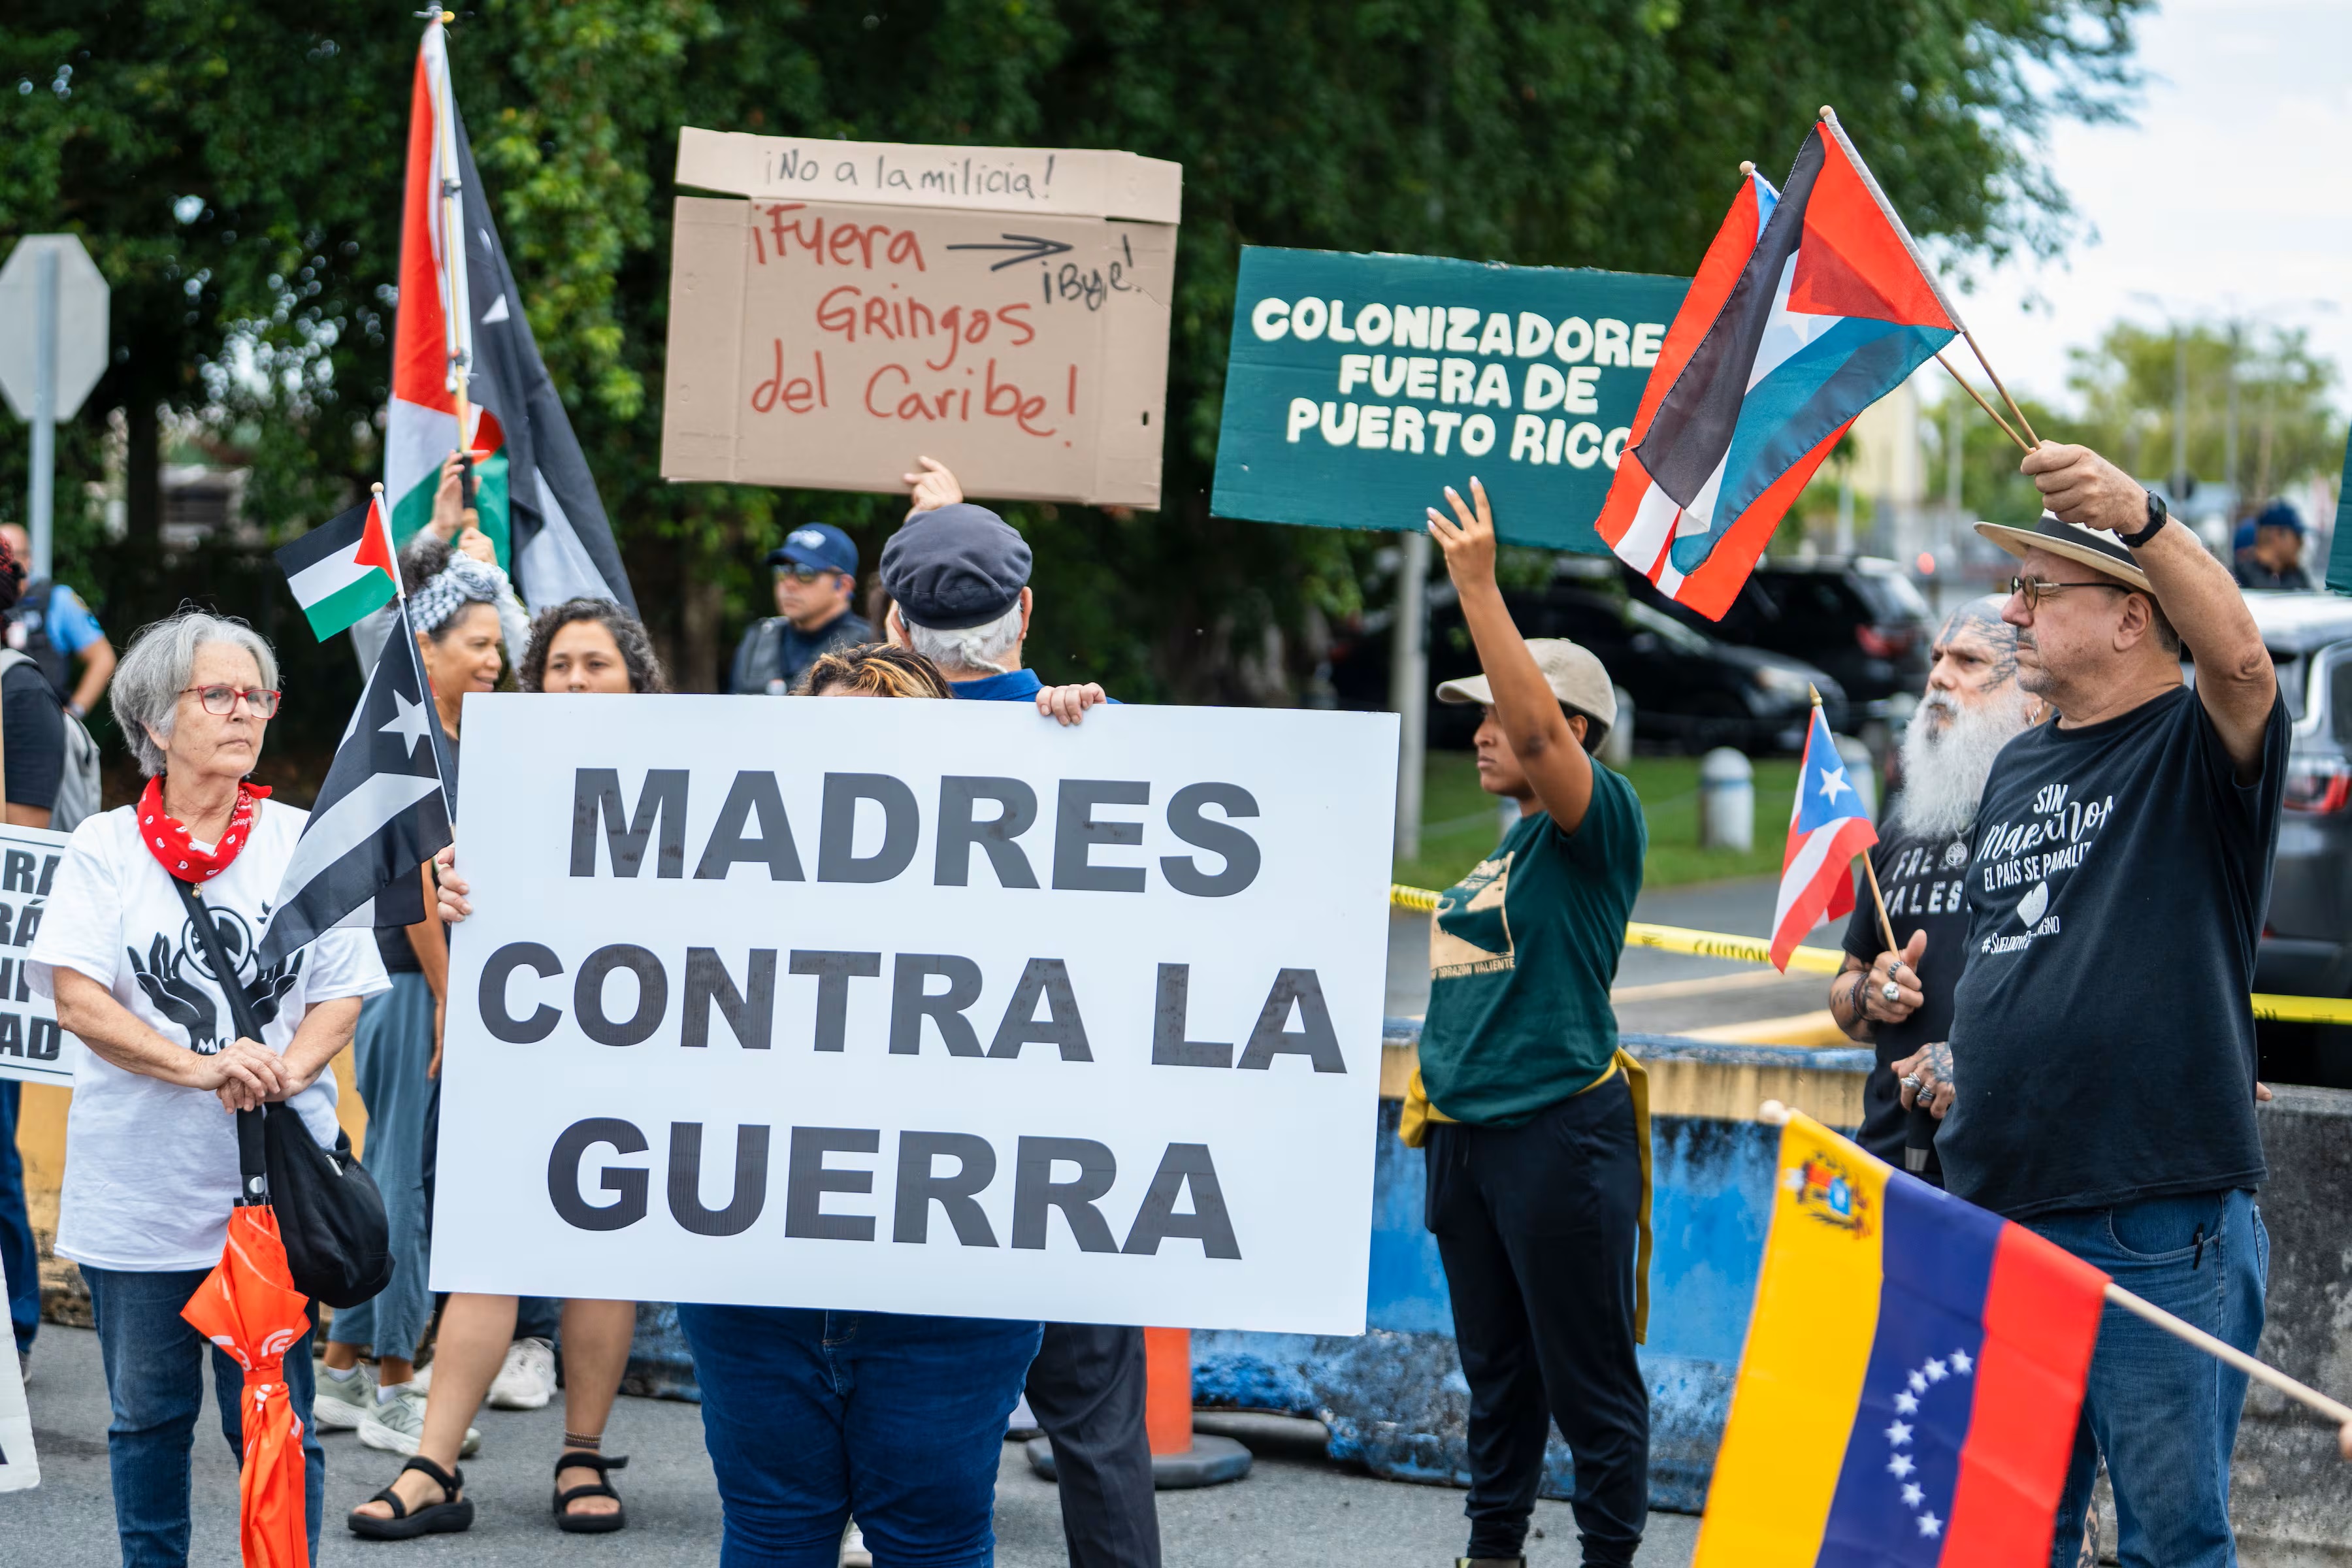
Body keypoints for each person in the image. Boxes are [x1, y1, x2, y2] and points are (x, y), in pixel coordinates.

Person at [427, 641, 1043, 1568]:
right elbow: (591, 962)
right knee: (772, 1531)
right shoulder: (702, 879)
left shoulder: (1021, 886)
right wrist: (496, 889)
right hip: (753, 1281)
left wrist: (1079, 739)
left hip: (946, 1301)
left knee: (934, 1542)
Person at [1902, 444, 2284, 1568]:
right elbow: (2028, 949)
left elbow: (2248, 665)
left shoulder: (2191, 742)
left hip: (2151, 1223)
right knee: (2007, 1539)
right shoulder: (2021, 765)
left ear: (2132, 617)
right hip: (2003, 1206)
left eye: (2038, 587)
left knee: (2170, 1543)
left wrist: (2142, 514)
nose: (2012, 607)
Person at [26, 610, 391, 1568]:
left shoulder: (303, 839)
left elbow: (341, 994)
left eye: (257, 695)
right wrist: (205, 1067)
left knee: (275, 1424)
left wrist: (287, 1069)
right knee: (146, 1420)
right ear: (153, 720)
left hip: (269, 1204)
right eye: (218, 694)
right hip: (139, 1199)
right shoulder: (104, 848)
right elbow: (78, 1001)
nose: (246, 712)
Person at [877, 457, 1149, 1568]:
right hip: (1066, 1154)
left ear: (892, 622)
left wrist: (934, 527)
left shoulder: (835, 750)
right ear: (1028, 612)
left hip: (894, 1157)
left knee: (915, 1433)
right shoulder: (1114, 744)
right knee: (1098, 1430)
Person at [348, 596, 666, 1541]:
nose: (573, 679)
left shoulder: (684, 776)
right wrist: (450, 900)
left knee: (601, 1254)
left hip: (632, 1044)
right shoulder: (494, 767)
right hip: (518, 1036)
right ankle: (432, 1465)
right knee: (488, 1242)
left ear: (636, 682)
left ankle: (583, 1453)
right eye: (559, 664)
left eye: (596, 664)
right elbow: (428, 880)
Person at [1409, 477, 1650, 1568]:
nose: (1478, 730)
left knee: (1588, 1379)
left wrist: (1476, 587)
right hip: (1470, 1142)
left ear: (1574, 729)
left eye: (1497, 708)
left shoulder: (1596, 824)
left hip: (1559, 1135)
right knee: (1497, 1376)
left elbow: (1545, 732)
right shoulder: (1505, 848)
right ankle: (1491, 1551)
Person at [317, 534, 517, 1462]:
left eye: (497, 643)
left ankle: (344, 1356)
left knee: (397, 1166)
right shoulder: (418, 739)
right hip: (410, 981)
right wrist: (449, 1000)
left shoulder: (451, 734)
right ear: (426, 644)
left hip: (411, 986)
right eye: (476, 641)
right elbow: (423, 885)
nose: (493, 657)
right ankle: (395, 1382)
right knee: (402, 1177)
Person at [1827, 596, 2037, 1182]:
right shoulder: (1899, 828)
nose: (1939, 676)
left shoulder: (2051, 826)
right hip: (1892, 1162)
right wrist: (1868, 996)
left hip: (2010, 1173)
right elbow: (1846, 991)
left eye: (1968, 662)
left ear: (2031, 699)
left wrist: (1973, 1064)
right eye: (1938, 656)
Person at [730, 523, 874, 694]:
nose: (789, 584)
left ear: (843, 586)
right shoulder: (758, 638)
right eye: (782, 571)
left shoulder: (871, 646)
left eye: (805, 573)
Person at [0, 521, 116, 717]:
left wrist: (74, 714)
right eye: (3, 556)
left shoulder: (57, 599)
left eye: (15, 555)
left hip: (42, 723)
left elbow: (103, 658)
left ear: (29, 559)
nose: (8, 564)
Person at [2232, 500, 2317, 591]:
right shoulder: (2240, 577)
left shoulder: (2296, 574)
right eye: (2297, 537)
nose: (2301, 543)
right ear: (2276, 536)